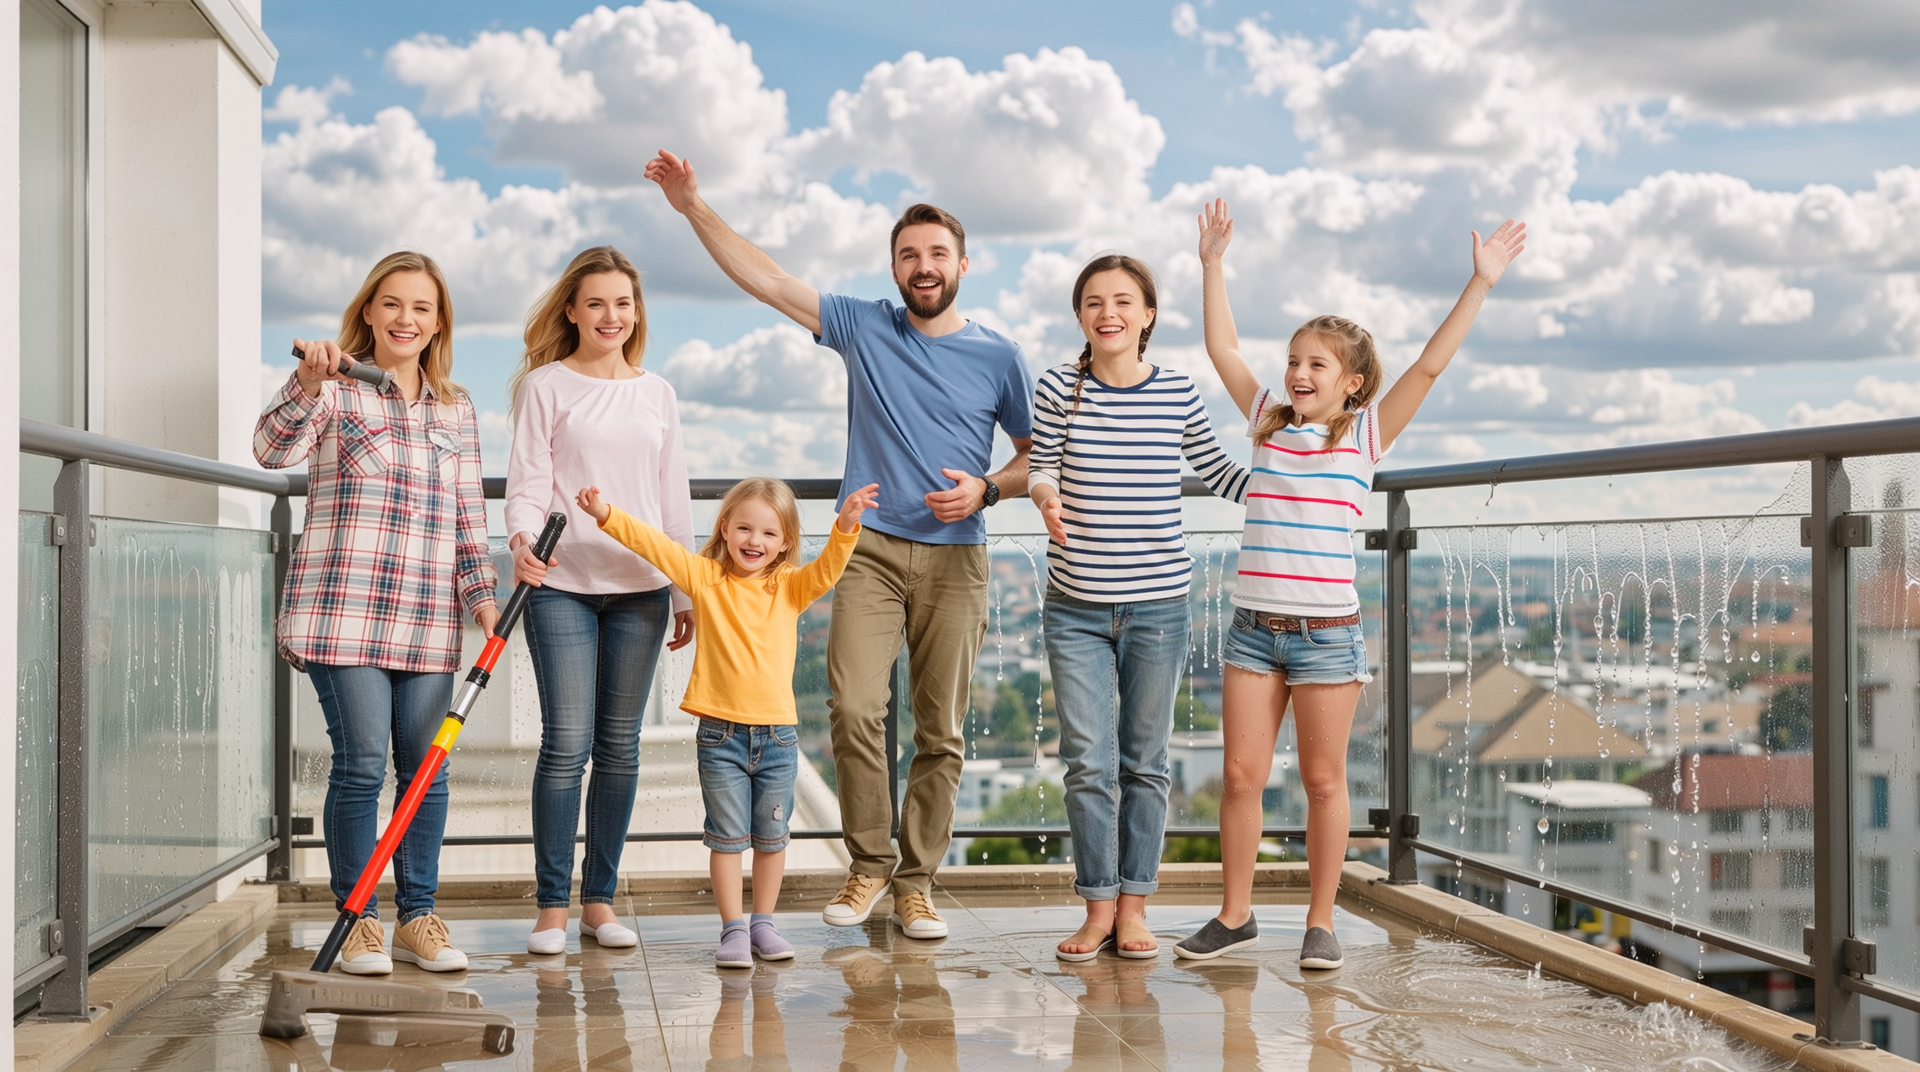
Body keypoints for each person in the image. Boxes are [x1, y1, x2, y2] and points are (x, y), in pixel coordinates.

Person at [645, 149, 1034, 940]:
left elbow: (1034, 459)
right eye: (908, 256)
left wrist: (988, 488)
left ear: (963, 263)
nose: (922, 267)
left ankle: (917, 883)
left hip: (958, 556)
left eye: (935, 254)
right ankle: (869, 866)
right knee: (856, 706)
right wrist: (693, 207)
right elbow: (768, 279)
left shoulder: (1000, 354)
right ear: (894, 267)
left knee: (941, 730)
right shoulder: (864, 325)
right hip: (869, 551)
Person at [1176, 199, 1526, 967]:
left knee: (1323, 783)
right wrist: (1212, 264)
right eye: (1294, 360)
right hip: (1251, 631)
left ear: (1353, 383)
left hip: (1325, 638)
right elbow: (1223, 346)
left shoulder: (1366, 435)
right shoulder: (1267, 420)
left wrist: (1480, 284)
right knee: (1239, 777)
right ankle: (1235, 916)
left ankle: (1321, 920)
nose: (1298, 373)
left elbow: (1430, 365)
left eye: (1317, 364)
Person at [256, 251, 495, 975]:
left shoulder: (456, 408)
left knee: (426, 767)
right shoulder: (332, 390)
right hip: (342, 614)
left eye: (421, 308)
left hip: (427, 620)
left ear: (438, 322)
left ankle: (418, 916)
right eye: (392, 304)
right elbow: (269, 450)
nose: (406, 319)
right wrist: (304, 381)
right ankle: (358, 918)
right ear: (368, 311)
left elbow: (466, 517)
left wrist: (483, 602)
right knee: (362, 762)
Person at [1030, 254, 1248, 962]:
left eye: (1123, 300)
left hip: (1159, 607)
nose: (1108, 312)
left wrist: (1299, 482)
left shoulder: (1178, 392)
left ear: (1148, 314)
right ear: (1081, 317)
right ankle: (1097, 907)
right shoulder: (1060, 387)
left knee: (1145, 764)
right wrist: (1044, 496)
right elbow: (1039, 468)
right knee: (1088, 762)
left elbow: (1218, 473)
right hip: (1076, 608)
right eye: (1093, 301)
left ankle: (1134, 907)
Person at [576, 477, 876, 967]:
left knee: (772, 840)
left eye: (768, 534)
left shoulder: (789, 587)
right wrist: (606, 514)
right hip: (720, 738)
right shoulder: (705, 578)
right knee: (726, 837)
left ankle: (764, 924)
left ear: (784, 544)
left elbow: (827, 572)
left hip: (778, 738)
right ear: (724, 528)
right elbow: (655, 546)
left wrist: (845, 527)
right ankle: (733, 930)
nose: (754, 541)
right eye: (744, 529)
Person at [505, 246, 696, 956]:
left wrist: (684, 590)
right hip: (561, 586)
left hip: (642, 589)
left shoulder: (658, 394)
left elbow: (671, 499)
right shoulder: (546, 387)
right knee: (566, 745)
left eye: (623, 303)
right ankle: (551, 907)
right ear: (572, 311)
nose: (611, 316)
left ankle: (599, 902)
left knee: (620, 748)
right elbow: (527, 479)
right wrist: (523, 539)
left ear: (636, 311)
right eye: (596, 303)